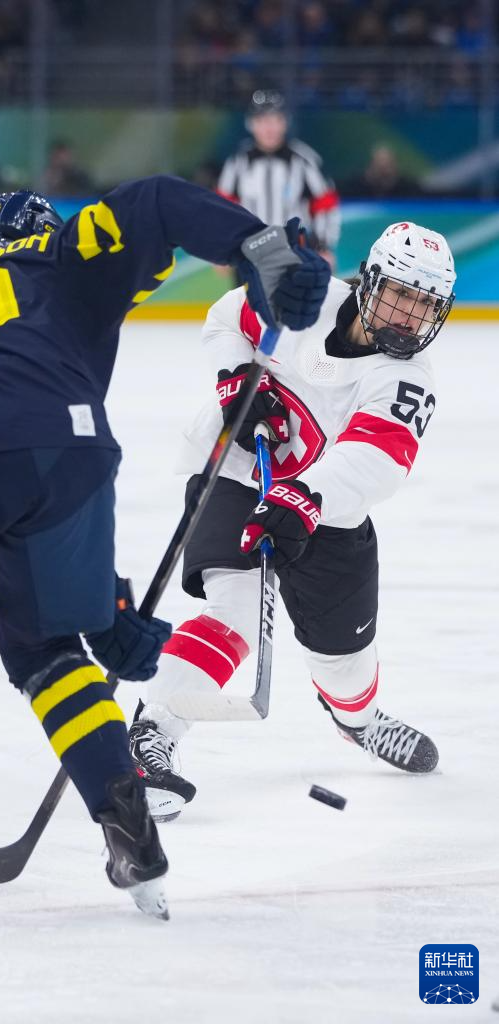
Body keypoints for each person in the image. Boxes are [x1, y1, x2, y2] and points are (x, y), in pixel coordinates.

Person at [0, 176, 331, 922]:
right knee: (46, 646)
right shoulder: (63, 254)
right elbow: (156, 202)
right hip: (70, 450)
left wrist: (107, 603)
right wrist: (259, 247)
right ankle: (129, 822)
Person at [129, 221, 456, 822]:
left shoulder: (408, 380)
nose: (411, 316)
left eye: (425, 305)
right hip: (237, 473)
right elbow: (227, 319)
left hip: (327, 510)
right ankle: (153, 734)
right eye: (401, 295)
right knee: (234, 613)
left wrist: (306, 495)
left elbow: (377, 459)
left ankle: (358, 722)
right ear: (369, 282)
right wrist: (236, 382)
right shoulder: (306, 299)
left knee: (344, 660)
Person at [218, 89, 340, 267]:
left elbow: (325, 204)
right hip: (250, 255)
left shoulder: (304, 160)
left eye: (276, 120)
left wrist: (324, 246)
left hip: (297, 254)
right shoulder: (237, 162)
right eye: (262, 121)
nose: (269, 128)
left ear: (285, 123)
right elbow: (223, 208)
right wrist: (223, 248)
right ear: (251, 124)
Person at [342, 144, 424, 199]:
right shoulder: (355, 188)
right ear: (370, 166)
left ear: (395, 166)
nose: (383, 173)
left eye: (388, 166)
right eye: (379, 167)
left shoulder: (408, 189)